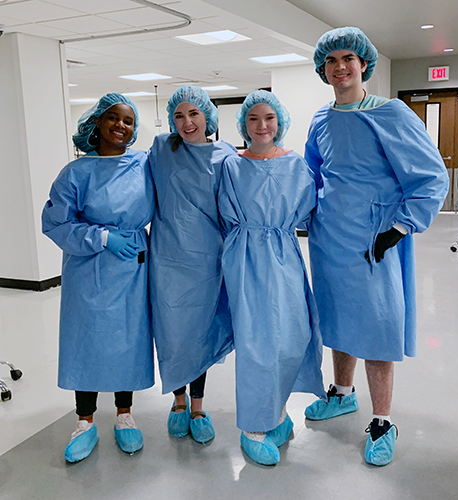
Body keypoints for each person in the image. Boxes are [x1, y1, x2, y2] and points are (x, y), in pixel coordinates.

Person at [303, 27, 449, 466]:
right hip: (329, 239)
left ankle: (383, 420)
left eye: (348, 58)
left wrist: (399, 229)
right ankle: (342, 393)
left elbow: (431, 177)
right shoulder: (320, 120)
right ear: (323, 70)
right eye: (331, 61)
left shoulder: (391, 113)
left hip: (375, 241)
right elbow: (313, 176)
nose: (340, 67)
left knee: (377, 327)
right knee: (338, 318)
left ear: (364, 63)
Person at [42, 93, 155, 463]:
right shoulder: (76, 172)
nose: (120, 126)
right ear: (96, 123)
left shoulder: (144, 164)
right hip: (89, 266)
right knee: (86, 339)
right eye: (113, 118)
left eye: (128, 121)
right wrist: (102, 237)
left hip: (134, 266)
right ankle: (85, 421)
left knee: (129, 337)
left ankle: (124, 415)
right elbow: (56, 222)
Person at [218, 90, 325, 466]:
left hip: (284, 256)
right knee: (256, 343)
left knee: (291, 336)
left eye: (269, 118)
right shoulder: (231, 166)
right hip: (245, 257)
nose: (262, 126)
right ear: (243, 124)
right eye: (253, 119)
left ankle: (275, 411)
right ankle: (252, 427)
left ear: (280, 122)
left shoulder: (296, 165)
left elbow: (313, 213)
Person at [148, 86, 236, 444]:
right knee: (172, 333)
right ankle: (178, 402)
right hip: (167, 259)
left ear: (208, 116)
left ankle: (198, 406)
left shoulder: (225, 156)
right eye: (179, 115)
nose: (187, 122)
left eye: (194, 114)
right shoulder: (161, 150)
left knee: (200, 333)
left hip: (207, 260)